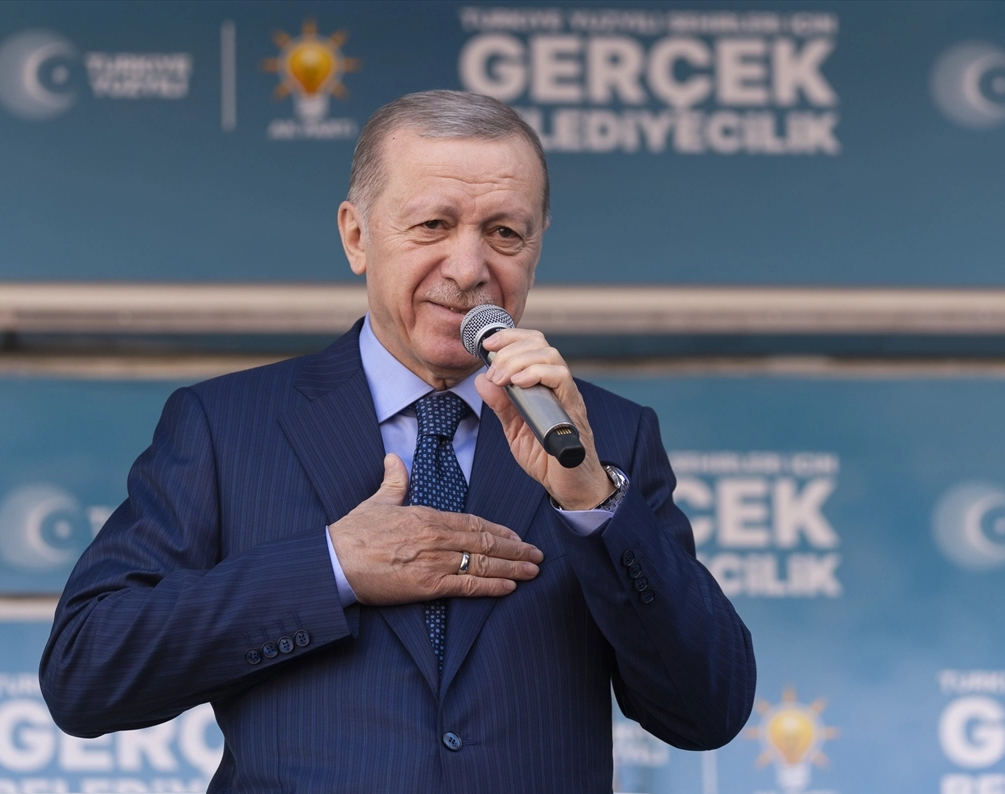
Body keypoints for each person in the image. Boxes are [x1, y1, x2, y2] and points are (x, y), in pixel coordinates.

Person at [41, 90, 755, 792]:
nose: (469, 268)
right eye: (433, 225)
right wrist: (333, 568)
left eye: (504, 233)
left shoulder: (606, 438)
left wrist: (592, 502)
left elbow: (708, 710)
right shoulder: (225, 425)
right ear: (357, 236)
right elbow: (85, 670)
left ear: (537, 248)